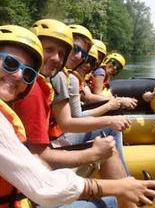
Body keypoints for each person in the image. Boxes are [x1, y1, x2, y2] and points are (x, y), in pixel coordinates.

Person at [0, 24, 155, 207]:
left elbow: (33, 164)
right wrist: (119, 186)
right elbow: (44, 187)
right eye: (10, 63)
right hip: (32, 194)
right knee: (114, 200)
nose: (20, 76)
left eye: (29, 73)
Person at [12, 19, 128, 207]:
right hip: (32, 183)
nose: (57, 58)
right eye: (48, 50)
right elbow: (43, 150)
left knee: (108, 149)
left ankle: (128, 187)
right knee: (112, 199)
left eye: (61, 53)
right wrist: (93, 153)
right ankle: (127, 188)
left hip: (33, 170)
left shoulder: (44, 82)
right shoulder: (35, 88)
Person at [50, 25, 130, 176]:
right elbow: (71, 120)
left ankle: (125, 180)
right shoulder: (64, 77)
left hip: (58, 134)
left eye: (90, 60)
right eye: (74, 49)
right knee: (111, 127)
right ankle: (126, 179)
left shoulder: (68, 76)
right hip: (58, 138)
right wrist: (109, 111)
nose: (86, 63)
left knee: (111, 123)